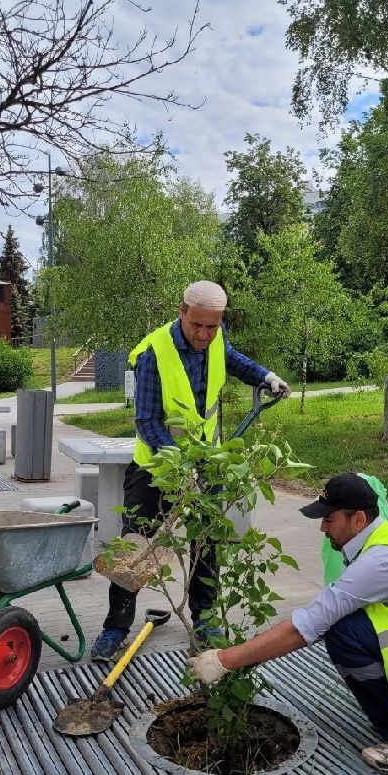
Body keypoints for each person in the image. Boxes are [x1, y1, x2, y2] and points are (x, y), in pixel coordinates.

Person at [191, 473, 388, 775]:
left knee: (342, 633)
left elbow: (306, 627)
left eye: (329, 519)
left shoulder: (379, 561)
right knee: (349, 623)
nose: (322, 528)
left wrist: (224, 661)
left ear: (358, 519)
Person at [90, 281, 289, 660]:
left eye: (212, 327)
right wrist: (179, 468)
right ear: (182, 311)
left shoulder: (216, 338)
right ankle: (115, 627)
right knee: (135, 546)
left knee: (206, 542)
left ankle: (206, 621)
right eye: (197, 325)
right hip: (156, 468)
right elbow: (148, 422)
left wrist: (265, 376)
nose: (203, 335)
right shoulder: (155, 354)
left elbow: (232, 359)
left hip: (206, 462)